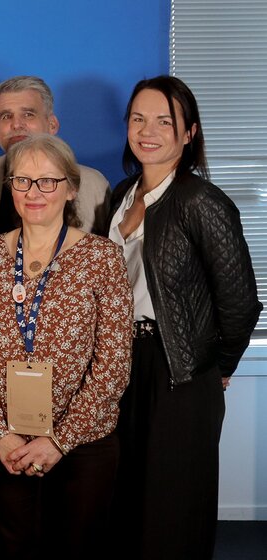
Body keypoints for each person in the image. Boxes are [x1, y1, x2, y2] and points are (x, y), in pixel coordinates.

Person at [108, 76, 260, 559]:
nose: (147, 130)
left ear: (189, 132)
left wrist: (215, 366)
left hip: (179, 372)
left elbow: (241, 302)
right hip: (120, 365)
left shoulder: (202, 201)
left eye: (163, 121)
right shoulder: (121, 195)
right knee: (126, 502)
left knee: (173, 510)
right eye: (138, 119)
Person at [0, 134, 133, 558]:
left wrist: (58, 440)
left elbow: (113, 364)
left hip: (84, 445)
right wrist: (0, 433)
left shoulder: (102, 257)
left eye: (48, 181)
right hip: (7, 445)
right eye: (22, 181)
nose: (33, 192)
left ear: (71, 187)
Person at [0, 76, 111, 240]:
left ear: (52, 125)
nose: (16, 124)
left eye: (28, 114)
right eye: (6, 116)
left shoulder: (94, 185)